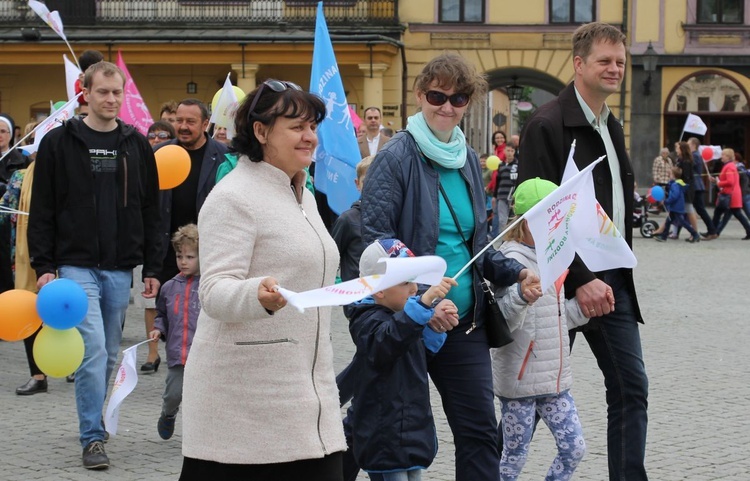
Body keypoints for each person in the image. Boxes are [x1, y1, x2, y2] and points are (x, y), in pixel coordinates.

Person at [360, 53, 542, 481]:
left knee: (480, 432)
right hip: (410, 322)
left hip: (463, 324)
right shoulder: (396, 157)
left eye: (458, 98)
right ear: (421, 95)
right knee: (386, 427)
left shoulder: (467, 160)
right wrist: (422, 300)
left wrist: (515, 272)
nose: (447, 106)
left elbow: (475, 243)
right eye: (438, 95)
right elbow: (376, 246)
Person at [178, 79, 346, 480]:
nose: (310, 137)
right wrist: (256, 293)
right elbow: (215, 290)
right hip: (245, 402)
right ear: (260, 131)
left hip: (309, 395)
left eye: (313, 127)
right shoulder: (232, 196)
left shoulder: (302, 192)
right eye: (297, 127)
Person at [517, 22, 649, 481]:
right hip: (562, 284)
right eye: (604, 61)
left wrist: (610, 275)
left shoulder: (610, 123)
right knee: (530, 400)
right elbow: (537, 216)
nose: (614, 69)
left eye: (619, 61)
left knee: (631, 388)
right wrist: (579, 278)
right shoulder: (547, 125)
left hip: (614, 281)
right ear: (579, 64)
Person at [28, 61, 162, 470]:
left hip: (120, 266)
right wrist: (44, 264)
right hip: (74, 264)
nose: (110, 99)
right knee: (94, 349)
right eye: (102, 92)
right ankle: (92, 437)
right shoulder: (58, 142)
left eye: (117, 92)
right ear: (84, 93)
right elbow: (44, 207)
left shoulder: (136, 144)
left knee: (106, 356)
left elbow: (152, 209)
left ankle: (94, 425)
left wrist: (153, 267)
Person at [492, 178, 590, 481]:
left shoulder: (554, 254)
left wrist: (583, 311)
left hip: (555, 379)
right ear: (526, 220)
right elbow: (502, 321)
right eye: (548, 216)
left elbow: (555, 318)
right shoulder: (508, 258)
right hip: (520, 380)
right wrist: (522, 296)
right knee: (514, 455)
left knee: (574, 447)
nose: (555, 223)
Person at [349, 238, 457, 481]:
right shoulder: (366, 318)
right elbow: (386, 344)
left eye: (415, 281)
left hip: (411, 427)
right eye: (406, 282)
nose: (413, 289)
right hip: (384, 435)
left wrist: (435, 329)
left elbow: (417, 354)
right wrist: (423, 304)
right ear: (378, 289)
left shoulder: (402, 316)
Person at [149, 98, 228, 372]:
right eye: (179, 120)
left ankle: (203, 365)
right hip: (167, 248)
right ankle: (175, 364)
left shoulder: (224, 156)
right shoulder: (160, 154)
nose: (182, 127)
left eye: (190, 122)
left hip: (207, 249)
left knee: (203, 309)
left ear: (206, 124)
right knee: (169, 308)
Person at [148, 223, 200, 440]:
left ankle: (199, 435)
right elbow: (161, 314)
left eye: (190, 257)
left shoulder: (209, 285)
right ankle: (168, 414)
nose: (183, 262)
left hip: (202, 354)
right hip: (178, 354)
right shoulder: (169, 287)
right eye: (180, 256)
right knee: (173, 394)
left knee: (200, 398)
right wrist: (158, 329)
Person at [331, 155, 374, 283]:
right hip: (356, 297)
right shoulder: (347, 220)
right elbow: (331, 259)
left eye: (378, 180)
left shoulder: (395, 217)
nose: (373, 186)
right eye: (367, 182)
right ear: (357, 184)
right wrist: (341, 284)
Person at [709, 148, 750, 239]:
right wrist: (716, 181)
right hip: (732, 194)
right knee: (734, 214)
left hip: (730, 194)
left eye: (723, 155)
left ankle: (712, 231)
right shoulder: (730, 166)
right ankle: (713, 231)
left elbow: (730, 181)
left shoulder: (729, 166)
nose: (721, 157)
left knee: (723, 213)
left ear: (728, 157)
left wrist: (719, 183)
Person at [654, 166, 701, 243]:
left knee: (682, 222)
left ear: (673, 175)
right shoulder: (677, 184)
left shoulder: (675, 185)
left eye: (670, 174)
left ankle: (695, 234)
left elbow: (674, 196)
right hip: (676, 206)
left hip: (676, 206)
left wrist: (666, 201)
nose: (669, 176)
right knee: (668, 221)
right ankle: (664, 236)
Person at [687, 137, 718, 239]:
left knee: (698, 209)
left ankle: (712, 231)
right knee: (694, 209)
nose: (687, 146)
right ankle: (711, 230)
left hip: (696, 186)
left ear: (694, 145)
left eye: (689, 144)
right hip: (696, 185)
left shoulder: (695, 155)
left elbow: (690, 167)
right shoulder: (695, 155)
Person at [492, 142, 519, 232]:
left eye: (512, 151)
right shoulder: (501, 165)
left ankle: (511, 237)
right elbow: (498, 181)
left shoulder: (518, 165)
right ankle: (502, 239)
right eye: (508, 150)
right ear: (504, 151)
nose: (510, 153)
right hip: (501, 195)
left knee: (512, 218)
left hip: (513, 196)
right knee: (502, 219)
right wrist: (495, 196)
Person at [73, 50, 104, 115]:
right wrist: (83, 84)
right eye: (101, 65)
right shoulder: (79, 82)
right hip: (87, 113)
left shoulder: (104, 80)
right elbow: (82, 98)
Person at [651, 148, 673, 213]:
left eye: (666, 153)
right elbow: (655, 170)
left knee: (668, 194)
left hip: (667, 180)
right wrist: (656, 179)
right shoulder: (658, 160)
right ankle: (659, 207)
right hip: (660, 180)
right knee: (660, 194)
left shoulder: (669, 160)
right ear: (661, 153)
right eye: (663, 153)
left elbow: (671, 169)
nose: (665, 154)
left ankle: (666, 206)